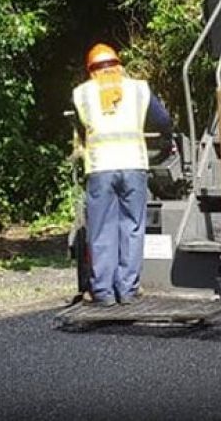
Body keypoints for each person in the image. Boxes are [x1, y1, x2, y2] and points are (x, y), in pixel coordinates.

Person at [72, 44, 173, 306]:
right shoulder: (138, 89)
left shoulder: (82, 94)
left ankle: (103, 292)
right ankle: (127, 290)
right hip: (133, 166)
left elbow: (82, 128)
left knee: (101, 229)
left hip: (100, 169)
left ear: (91, 70)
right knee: (132, 227)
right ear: (119, 64)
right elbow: (163, 120)